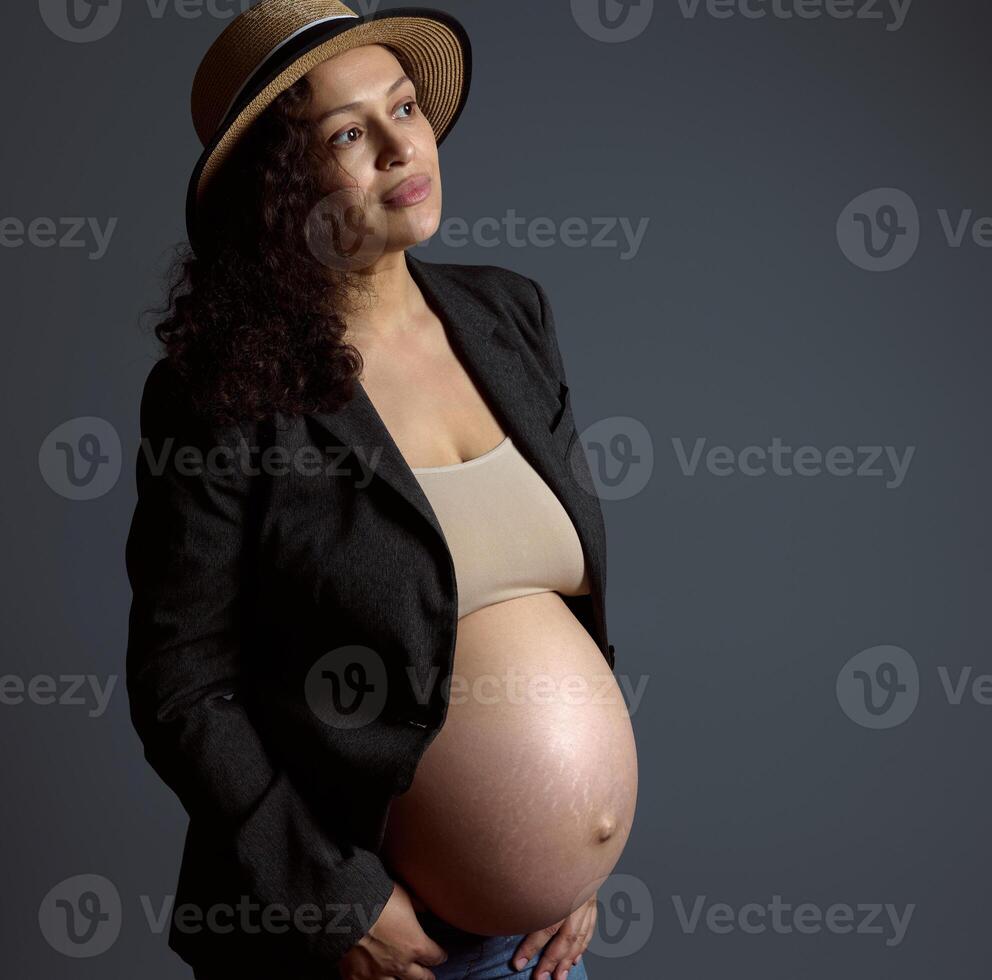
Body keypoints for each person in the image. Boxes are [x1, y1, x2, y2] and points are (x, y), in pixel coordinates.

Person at [126, 3, 637, 978]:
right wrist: (332, 895)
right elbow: (180, 678)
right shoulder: (225, 393)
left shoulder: (508, 315)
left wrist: (573, 842)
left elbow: (564, 605)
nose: (406, 144)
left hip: (536, 943)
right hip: (364, 945)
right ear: (281, 186)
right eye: (350, 133)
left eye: (405, 107)